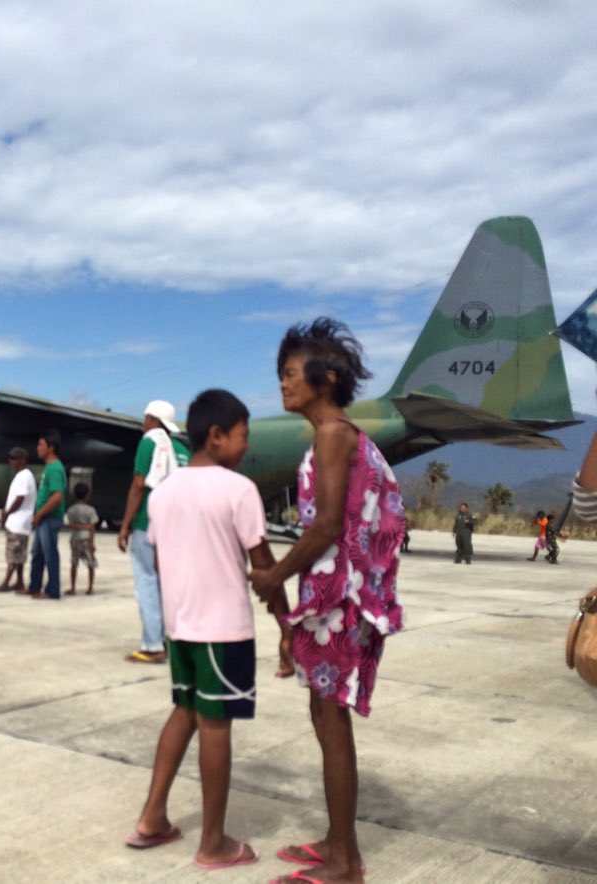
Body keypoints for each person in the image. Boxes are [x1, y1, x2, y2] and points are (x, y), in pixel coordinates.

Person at [252, 318, 404, 884]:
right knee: (322, 711)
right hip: (334, 598)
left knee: (331, 718)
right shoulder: (332, 436)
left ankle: (346, 862)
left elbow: (327, 527)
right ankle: (337, 840)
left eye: (291, 374)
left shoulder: (335, 435)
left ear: (328, 378)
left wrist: (275, 580)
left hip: (343, 600)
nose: (283, 384)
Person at [126, 388, 288, 870]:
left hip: (181, 630)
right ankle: (213, 843)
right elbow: (265, 567)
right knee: (216, 727)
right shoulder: (238, 489)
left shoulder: (165, 492)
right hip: (224, 630)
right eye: (243, 436)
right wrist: (287, 626)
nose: (247, 446)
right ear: (215, 436)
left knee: (185, 711)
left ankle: (153, 817)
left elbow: (158, 560)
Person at [117, 400, 191, 664]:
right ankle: (172, 641)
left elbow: (139, 485)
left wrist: (125, 525)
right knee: (169, 586)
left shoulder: (149, 442)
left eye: (146, 417)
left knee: (147, 583)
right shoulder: (181, 447)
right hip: (177, 527)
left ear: (153, 420)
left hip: (147, 523)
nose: (143, 422)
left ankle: (152, 645)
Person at [27, 430, 67, 600]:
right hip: (43, 518)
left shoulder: (55, 469)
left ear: (51, 448)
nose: (38, 448)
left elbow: (57, 496)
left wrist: (40, 513)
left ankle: (53, 590)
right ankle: (34, 586)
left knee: (50, 553)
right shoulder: (49, 468)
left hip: (49, 518)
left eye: (41, 445)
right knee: (37, 553)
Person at [0, 447, 36, 593]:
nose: (10, 461)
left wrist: (7, 513)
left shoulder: (24, 476)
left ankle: (6, 582)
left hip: (18, 522)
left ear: (22, 460)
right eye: (10, 458)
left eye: (14, 458)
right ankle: (20, 582)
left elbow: (20, 498)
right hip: (21, 523)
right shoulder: (24, 475)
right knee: (19, 555)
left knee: (12, 554)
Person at [65, 482, 99, 595]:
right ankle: (90, 587)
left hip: (75, 538)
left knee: (74, 563)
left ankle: (73, 587)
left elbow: (70, 524)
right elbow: (92, 527)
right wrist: (92, 542)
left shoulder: (71, 510)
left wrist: (78, 526)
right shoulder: (91, 510)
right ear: (87, 495)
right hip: (86, 538)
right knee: (90, 563)